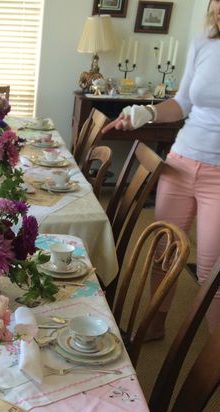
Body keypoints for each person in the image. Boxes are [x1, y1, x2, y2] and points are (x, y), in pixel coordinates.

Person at [102, 0, 220, 338]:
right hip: (180, 163)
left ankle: (213, 356)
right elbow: (182, 103)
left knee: (211, 272)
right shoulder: (203, 44)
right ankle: (155, 323)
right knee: (163, 251)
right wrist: (146, 113)